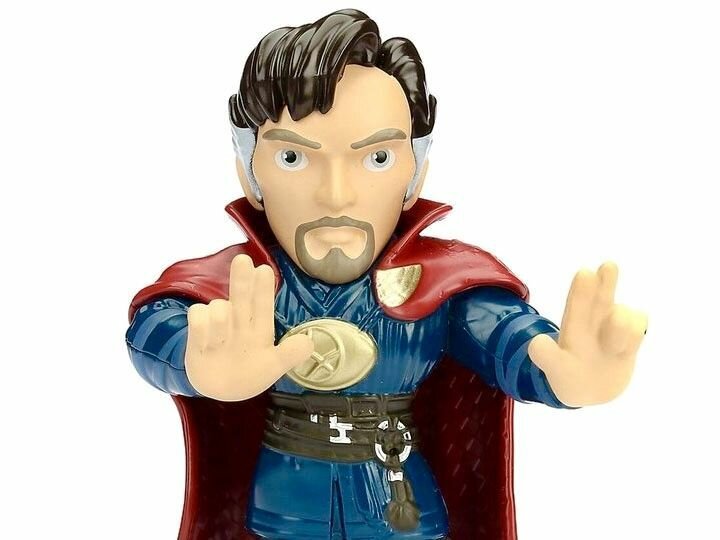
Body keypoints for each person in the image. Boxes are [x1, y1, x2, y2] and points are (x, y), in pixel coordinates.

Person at [126, 9, 647, 540]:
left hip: (399, 504)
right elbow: (157, 325)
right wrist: (193, 359)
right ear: (248, 170)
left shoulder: (443, 283)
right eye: (292, 158)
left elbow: (506, 337)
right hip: (285, 506)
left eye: (376, 157)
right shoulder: (243, 283)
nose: (336, 195)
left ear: (414, 173)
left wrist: (561, 373)